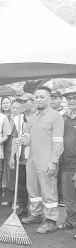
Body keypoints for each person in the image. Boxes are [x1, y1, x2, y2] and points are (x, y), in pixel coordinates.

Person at [15, 86, 64, 234]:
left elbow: (58, 141)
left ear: (49, 99)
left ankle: (51, 221)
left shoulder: (56, 116)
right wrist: (22, 140)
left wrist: (53, 161)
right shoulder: (32, 117)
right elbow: (28, 137)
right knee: (33, 189)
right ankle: (35, 215)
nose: (38, 99)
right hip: (31, 159)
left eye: (42, 97)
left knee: (48, 190)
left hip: (47, 160)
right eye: (36, 97)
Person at [7, 94, 34, 217]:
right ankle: (23, 207)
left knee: (34, 186)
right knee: (21, 184)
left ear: (32, 102)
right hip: (21, 157)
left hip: (35, 157)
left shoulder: (38, 117)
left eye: (25, 101)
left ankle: (36, 212)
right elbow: (14, 138)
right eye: (21, 101)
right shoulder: (18, 119)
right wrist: (12, 156)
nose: (22, 104)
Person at [58, 87, 76, 234]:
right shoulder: (63, 117)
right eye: (69, 98)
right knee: (68, 196)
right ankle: (70, 220)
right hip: (65, 163)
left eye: (74, 98)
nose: (71, 101)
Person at [50, 89, 67, 207]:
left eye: (55, 98)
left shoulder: (66, 114)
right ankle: (52, 195)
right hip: (49, 147)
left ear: (61, 99)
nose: (52, 100)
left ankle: (61, 196)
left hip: (64, 147)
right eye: (51, 98)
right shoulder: (47, 113)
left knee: (61, 172)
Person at [0, 96, 13, 203]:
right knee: (1, 171)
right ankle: (3, 193)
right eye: (3, 103)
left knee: (9, 172)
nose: (5, 104)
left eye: (7, 102)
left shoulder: (14, 116)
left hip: (9, 146)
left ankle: (10, 197)